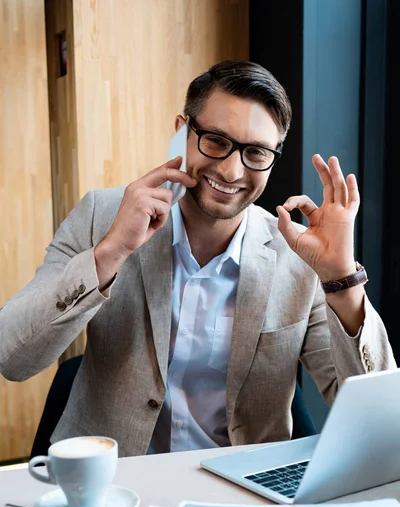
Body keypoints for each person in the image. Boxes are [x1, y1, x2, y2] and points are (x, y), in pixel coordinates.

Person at [0, 60, 396, 457]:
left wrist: (341, 278)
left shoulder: (298, 257)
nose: (230, 169)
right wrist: (111, 252)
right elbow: (11, 357)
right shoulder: (102, 216)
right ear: (182, 133)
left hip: (242, 494)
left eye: (255, 153)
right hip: (114, 485)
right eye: (216, 140)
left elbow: (380, 420)